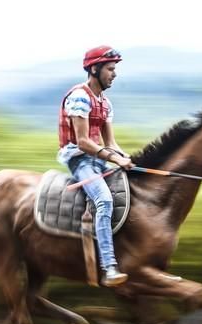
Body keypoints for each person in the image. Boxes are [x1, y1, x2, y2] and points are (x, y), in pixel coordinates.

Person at [57, 45, 134, 287]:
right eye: (110, 69)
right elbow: (83, 142)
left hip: (99, 158)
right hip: (80, 159)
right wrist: (114, 158)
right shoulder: (79, 97)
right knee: (105, 200)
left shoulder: (105, 102)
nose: (114, 74)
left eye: (114, 69)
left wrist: (127, 157)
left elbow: (110, 142)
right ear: (94, 69)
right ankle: (109, 267)